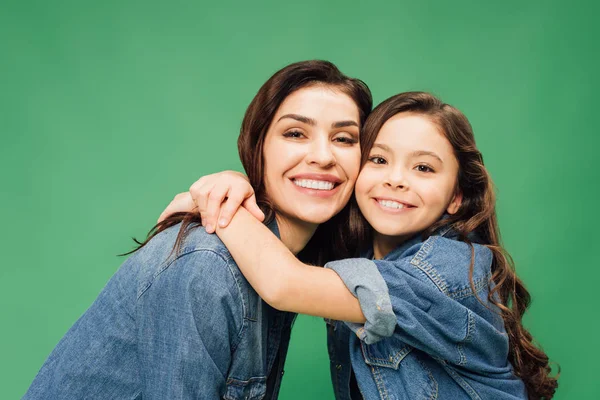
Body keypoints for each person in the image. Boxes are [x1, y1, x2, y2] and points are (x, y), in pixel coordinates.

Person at [162, 92, 558, 399]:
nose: (396, 180)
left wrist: (212, 200)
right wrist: (234, 181)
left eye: (423, 168)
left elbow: (283, 283)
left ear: (457, 197)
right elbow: (271, 246)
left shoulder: (448, 269)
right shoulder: (356, 258)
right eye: (379, 160)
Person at [23, 60, 373, 400]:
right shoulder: (208, 264)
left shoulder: (292, 267)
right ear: (257, 147)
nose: (323, 156)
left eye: (344, 139)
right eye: (296, 133)